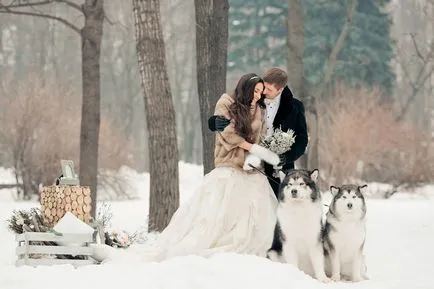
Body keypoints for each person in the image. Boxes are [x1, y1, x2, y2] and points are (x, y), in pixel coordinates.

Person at [144, 73, 280, 262]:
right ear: (246, 88)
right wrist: (251, 148)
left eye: (260, 92)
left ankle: (254, 253)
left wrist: (263, 153)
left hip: (251, 169)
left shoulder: (259, 109)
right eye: (255, 91)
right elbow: (226, 133)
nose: (258, 95)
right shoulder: (226, 102)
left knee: (254, 214)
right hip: (230, 164)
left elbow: (262, 134)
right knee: (217, 212)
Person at [209, 68, 308, 197]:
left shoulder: (295, 107)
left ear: (280, 89)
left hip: (280, 169)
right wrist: (213, 122)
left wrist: (286, 158)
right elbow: (233, 114)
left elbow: (302, 139)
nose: (264, 92)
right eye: (263, 88)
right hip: (249, 164)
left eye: (269, 90)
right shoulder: (253, 98)